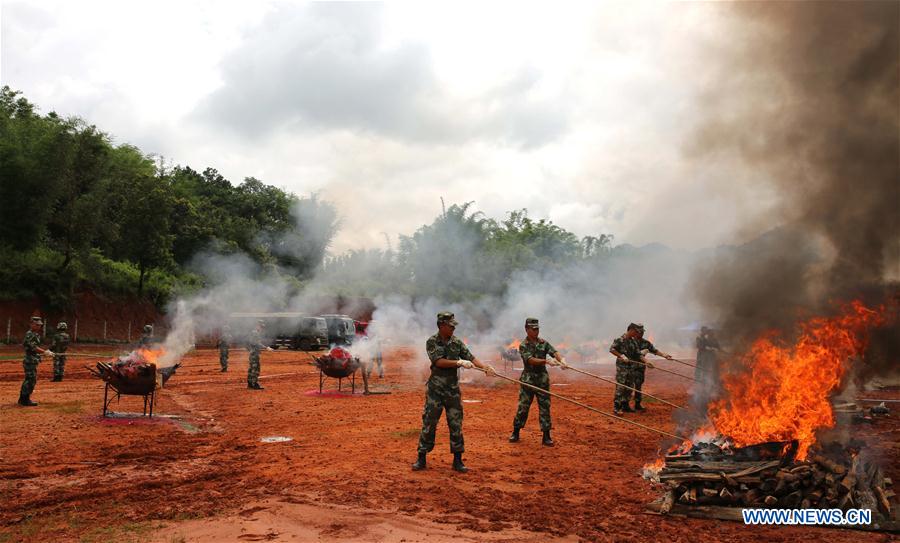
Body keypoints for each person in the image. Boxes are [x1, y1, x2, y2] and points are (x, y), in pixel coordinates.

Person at [412, 312, 496, 473]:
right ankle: (421, 457)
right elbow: (438, 361)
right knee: (429, 423)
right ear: (441, 326)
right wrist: (458, 362)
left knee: (456, 423)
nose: (453, 328)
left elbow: (471, 357)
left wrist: (484, 367)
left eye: (453, 326)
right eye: (450, 326)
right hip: (435, 390)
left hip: (452, 390)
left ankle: (457, 460)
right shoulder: (432, 341)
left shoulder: (457, 342)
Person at [509, 317, 568, 446]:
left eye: (537, 329)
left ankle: (546, 436)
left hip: (542, 379)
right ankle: (516, 432)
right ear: (526, 329)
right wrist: (546, 361)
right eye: (533, 329)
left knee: (545, 407)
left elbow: (554, 351)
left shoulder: (543, 342)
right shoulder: (523, 345)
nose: (536, 331)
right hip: (528, 380)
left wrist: (561, 359)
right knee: (523, 408)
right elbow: (530, 360)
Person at [609, 323, 673, 415]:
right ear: (630, 330)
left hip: (632, 368)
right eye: (636, 332)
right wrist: (621, 356)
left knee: (629, 387)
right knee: (621, 387)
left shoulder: (633, 341)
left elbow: (638, 354)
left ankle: (625, 405)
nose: (637, 334)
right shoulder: (620, 340)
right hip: (622, 368)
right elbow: (612, 349)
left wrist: (646, 361)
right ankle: (617, 407)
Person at [19, 317, 53, 407]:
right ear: (31, 324)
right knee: (30, 380)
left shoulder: (35, 334)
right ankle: (24, 400)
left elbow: (34, 349)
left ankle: (23, 399)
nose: (39, 327)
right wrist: (45, 352)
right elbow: (33, 347)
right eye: (37, 325)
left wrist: (43, 353)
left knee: (31, 379)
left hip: (33, 360)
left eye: (40, 325)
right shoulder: (30, 334)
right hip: (29, 360)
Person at [247, 320, 273, 390]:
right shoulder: (255, 333)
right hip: (254, 353)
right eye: (261, 326)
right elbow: (256, 343)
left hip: (253, 353)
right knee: (255, 369)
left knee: (251, 368)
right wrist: (266, 347)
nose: (261, 328)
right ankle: (254, 384)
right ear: (257, 325)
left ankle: (250, 383)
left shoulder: (254, 332)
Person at [695, 326, 721, 396]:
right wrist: (710, 348)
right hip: (702, 357)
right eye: (705, 331)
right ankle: (700, 385)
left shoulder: (710, 339)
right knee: (700, 369)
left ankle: (710, 384)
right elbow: (700, 346)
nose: (706, 332)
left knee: (711, 370)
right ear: (702, 331)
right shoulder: (699, 338)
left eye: (707, 331)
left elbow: (718, 347)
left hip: (710, 357)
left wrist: (718, 350)